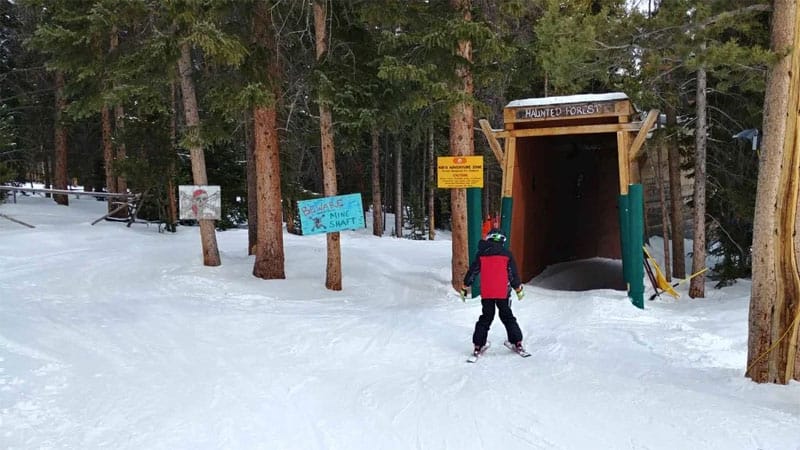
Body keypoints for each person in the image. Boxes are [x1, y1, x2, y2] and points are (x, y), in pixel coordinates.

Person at [461, 228, 526, 356]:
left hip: (487, 293)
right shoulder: (507, 254)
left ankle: (478, 345)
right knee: (507, 316)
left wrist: (465, 286)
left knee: (486, 317)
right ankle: (517, 342)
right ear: (502, 240)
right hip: (502, 292)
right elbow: (512, 274)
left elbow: (473, 272)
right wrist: (518, 288)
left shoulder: (481, 254)